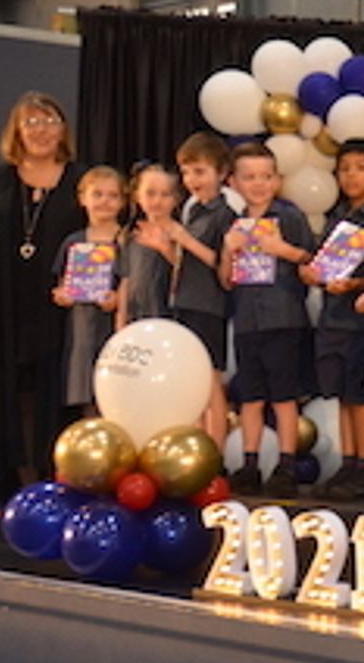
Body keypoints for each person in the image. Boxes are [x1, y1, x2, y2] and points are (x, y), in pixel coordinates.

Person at [0, 91, 87, 497]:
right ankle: (20, 486)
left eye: (50, 121)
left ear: (63, 130)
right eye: (32, 123)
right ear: (17, 131)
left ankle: (59, 481)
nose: (41, 131)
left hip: (62, 313)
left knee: (56, 395)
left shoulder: (82, 181)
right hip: (2, 308)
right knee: (12, 397)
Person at [218, 142, 314, 496]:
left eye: (266, 176)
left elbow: (312, 260)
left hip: (283, 318)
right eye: (250, 177)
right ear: (234, 182)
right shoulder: (233, 223)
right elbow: (225, 280)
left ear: (277, 180)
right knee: (251, 396)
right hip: (247, 319)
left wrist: (281, 250)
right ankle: (250, 464)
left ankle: (286, 464)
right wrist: (228, 251)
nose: (259, 184)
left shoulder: (289, 217)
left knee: (284, 395)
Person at [309, 140, 364, 501]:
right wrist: (313, 274)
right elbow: (321, 265)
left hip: (363, 322)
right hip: (333, 319)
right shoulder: (337, 219)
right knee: (342, 397)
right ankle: (349, 463)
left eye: (361, 168)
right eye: (345, 169)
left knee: (362, 398)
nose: (351, 176)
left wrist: (356, 284)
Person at [167, 132, 235, 443]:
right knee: (191, 381)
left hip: (209, 304)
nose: (192, 180)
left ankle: (216, 449)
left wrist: (184, 239)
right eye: (186, 172)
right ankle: (197, 444)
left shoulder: (225, 214)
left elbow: (219, 261)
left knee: (210, 381)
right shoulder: (192, 210)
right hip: (185, 300)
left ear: (221, 173)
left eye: (200, 171)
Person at [50, 166, 127, 420]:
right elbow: (61, 283)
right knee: (86, 391)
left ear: (123, 202)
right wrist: (63, 295)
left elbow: (137, 282)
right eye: (97, 194)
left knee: (116, 392)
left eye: (113, 195)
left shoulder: (127, 240)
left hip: (115, 327)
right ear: (82, 198)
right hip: (82, 328)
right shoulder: (73, 242)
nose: (105, 201)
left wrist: (119, 298)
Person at [118, 162, 181, 329]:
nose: (157, 201)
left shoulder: (181, 233)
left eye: (165, 194)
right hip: (137, 314)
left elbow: (187, 270)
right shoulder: (130, 235)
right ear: (137, 196)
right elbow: (126, 278)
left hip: (170, 314)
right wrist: (121, 316)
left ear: (176, 199)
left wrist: (166, 248)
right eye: (150, 193)